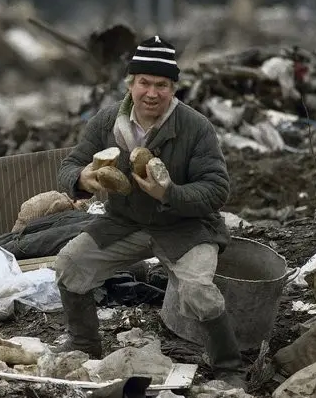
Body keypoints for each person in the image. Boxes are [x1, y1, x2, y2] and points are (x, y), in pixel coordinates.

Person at [54, 35, 244, 387]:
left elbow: (217, 190)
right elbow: (70, 163)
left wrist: (169, 192)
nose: (151, 93)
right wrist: (82, 178)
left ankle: (230, 368)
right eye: (144, 82)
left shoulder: (195, 127)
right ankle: (84, 346)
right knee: (69, 265)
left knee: (199, 293)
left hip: (185, 226)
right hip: (125, 223)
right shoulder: (108, 121)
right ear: (130, 84)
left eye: (161, 85)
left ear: (173, 88)